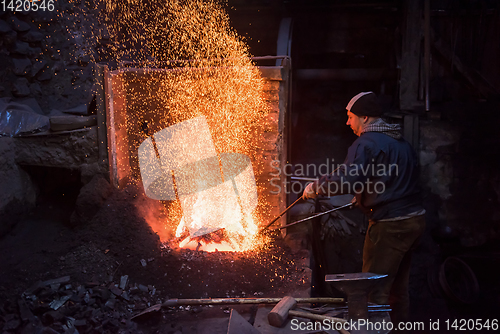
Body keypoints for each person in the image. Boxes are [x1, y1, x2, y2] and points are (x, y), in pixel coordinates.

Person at [302, 91, 425, 325]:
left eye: (351, 117)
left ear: (365, 118)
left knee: (373, 291)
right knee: (398, 286)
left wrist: (317, 187)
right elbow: (390, 180)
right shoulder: (400, 142)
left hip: (390, 226)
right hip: (414, 222)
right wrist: (363, 198)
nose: (348, 122)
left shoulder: (366, 143)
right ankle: (400, 327)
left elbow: (349, 179)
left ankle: (375, 330)